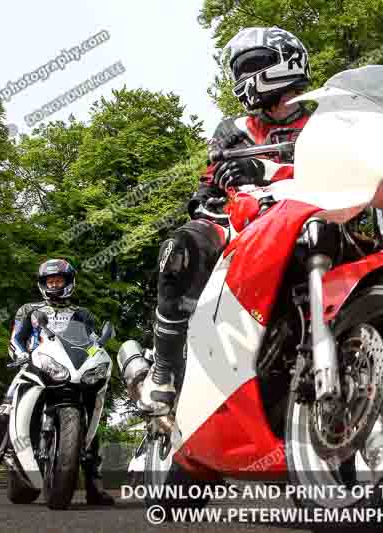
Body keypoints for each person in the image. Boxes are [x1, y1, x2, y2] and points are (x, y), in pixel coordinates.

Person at [138, 27, 312, 416]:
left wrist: (263, 168)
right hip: (240, 220)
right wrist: (206, 194)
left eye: (253, 65)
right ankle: (164, 370)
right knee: (179, 250)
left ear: (287, 63)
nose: (244, 77)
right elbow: (209, 179)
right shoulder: (233, 130)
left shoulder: (323, 125)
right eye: (240, 69)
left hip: (306, 216)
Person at [0, 259, 114, 507]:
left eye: (59, 280)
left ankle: (94, 486)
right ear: (43, 284)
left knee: (89, 418)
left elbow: (91, 342)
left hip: (70, 372)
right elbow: (16, 339)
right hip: (33, 367)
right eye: (50, 281)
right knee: (2, 414)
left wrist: (96, 356)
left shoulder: (82, 314)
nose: (54, 285)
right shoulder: (29, 310)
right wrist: (21, 355)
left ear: (69, 283)